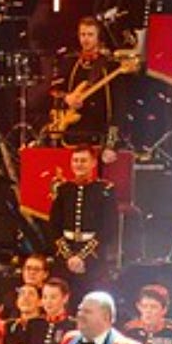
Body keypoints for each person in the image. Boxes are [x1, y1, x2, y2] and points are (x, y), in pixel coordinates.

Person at [48, 145, 117, 294]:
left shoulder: (105, 190)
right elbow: (54, 226)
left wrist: (81, 257)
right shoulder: (63, 189)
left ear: (93, 163)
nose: (78, 164)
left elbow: (109, 229)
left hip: (94, 259)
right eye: (75, 160)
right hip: (64, 257)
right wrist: (69, 256)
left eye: (83, 161)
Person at [55, 17, 126, 152]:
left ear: (98, 36)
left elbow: (120, 105)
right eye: (83, 34)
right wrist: (66, 97)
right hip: (72, 133)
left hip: (99, 133)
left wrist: (112, 142)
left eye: (90, 35)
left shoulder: (110, 65)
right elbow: (54, 90)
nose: (86, 39)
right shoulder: (70, 62)